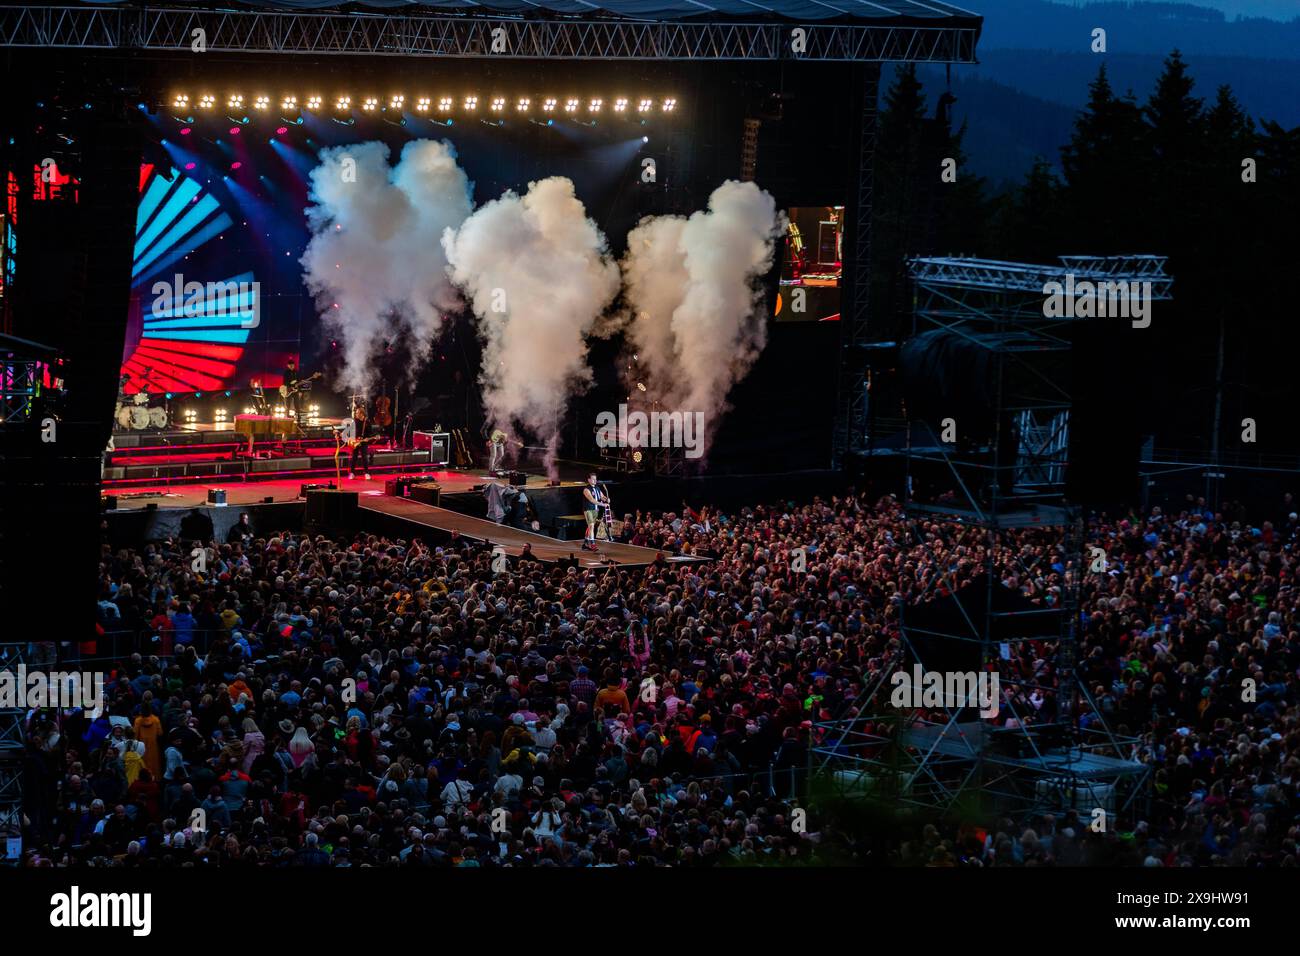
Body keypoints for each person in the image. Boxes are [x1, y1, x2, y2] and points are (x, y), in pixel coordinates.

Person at [345, 399, 373, 481]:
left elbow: (370, 433)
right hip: (355, 442)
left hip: (363, 442)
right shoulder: (354, 421)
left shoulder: (367, 422)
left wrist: (368, 439)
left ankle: (367, 473)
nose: (356, 414)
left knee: (364, 457)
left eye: (357, 413)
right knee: (354, 457)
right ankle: (352, 473)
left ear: (361, 414)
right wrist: (352, 440)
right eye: (356, 413)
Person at [582, 473, 604, 553]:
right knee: (591, 525)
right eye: (593, 479)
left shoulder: (597, 488)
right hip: (588, 510)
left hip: (595, 510)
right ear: (589, 480)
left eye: (595, 479)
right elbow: (592, 500)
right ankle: (592, 543)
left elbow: (602, 496)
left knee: (590, 526)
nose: (595, 480)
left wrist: (607, 499)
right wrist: (602, 504)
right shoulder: (586, 489)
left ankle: (585, 543)